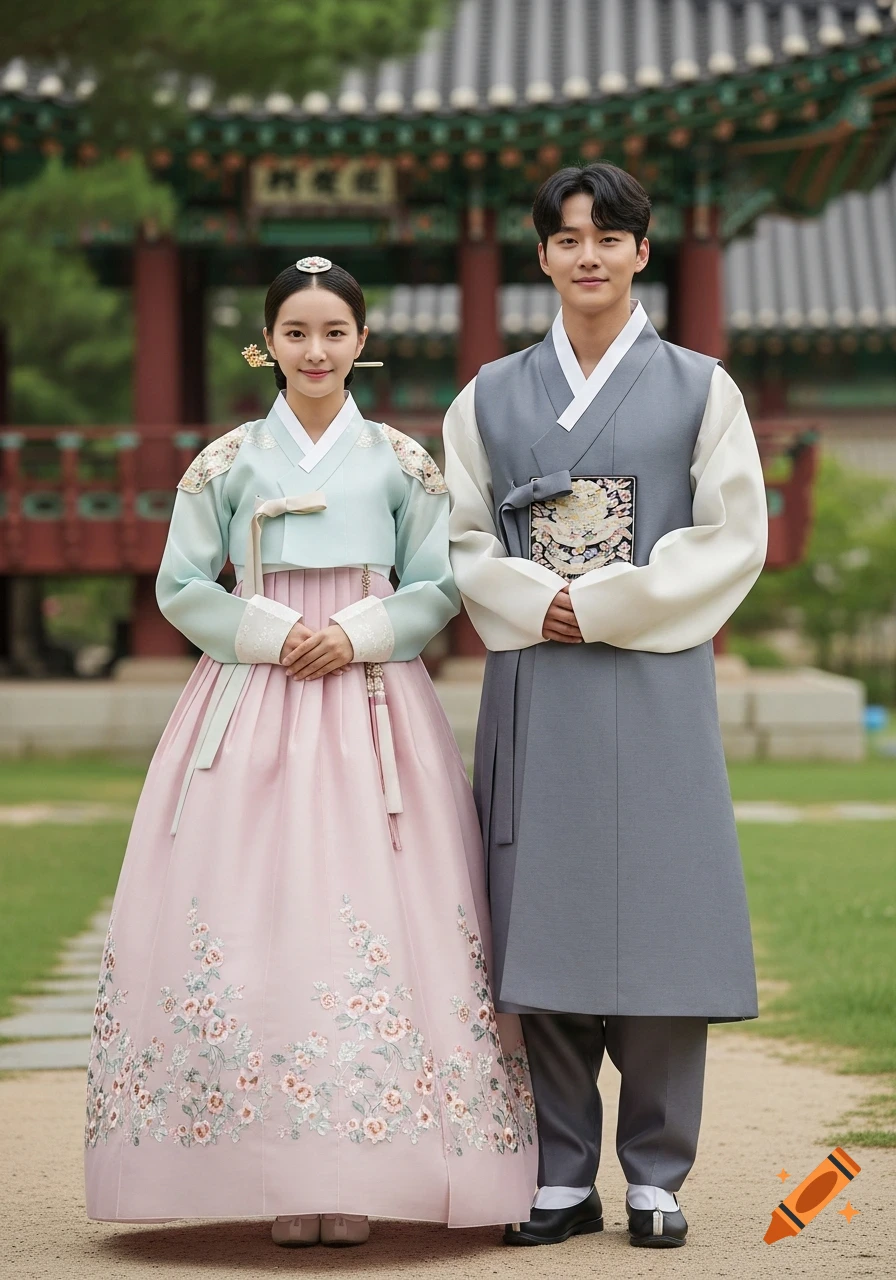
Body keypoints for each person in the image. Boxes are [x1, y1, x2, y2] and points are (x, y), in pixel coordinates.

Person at [84, 257, 537, 1247]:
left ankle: (368, 1172)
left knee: (377, 904)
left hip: (371, 700)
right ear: (267, 344)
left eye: (334, 332)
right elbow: (180, 585)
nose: (316, 350)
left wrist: (360, 631)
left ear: (361, 341)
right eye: (296, 332)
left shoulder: (403, 463)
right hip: (256, 691)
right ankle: (280, 1175)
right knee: (254, 911)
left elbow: (436, 584)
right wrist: (269, 629)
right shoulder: (225, 462)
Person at [442, 163, 767, 1250]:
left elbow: (732, 533)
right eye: (568, 238)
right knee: (541, 916)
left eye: (608, 236)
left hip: (654, 672)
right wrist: (537, 601)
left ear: (641, 250)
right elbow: (458, 537)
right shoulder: (487, 394)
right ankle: (560, 1172)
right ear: (541, 255)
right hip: (539, 670)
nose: (588, 255)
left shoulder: (700, 388)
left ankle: (657, 1175)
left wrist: (608, 602)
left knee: (663, 918)